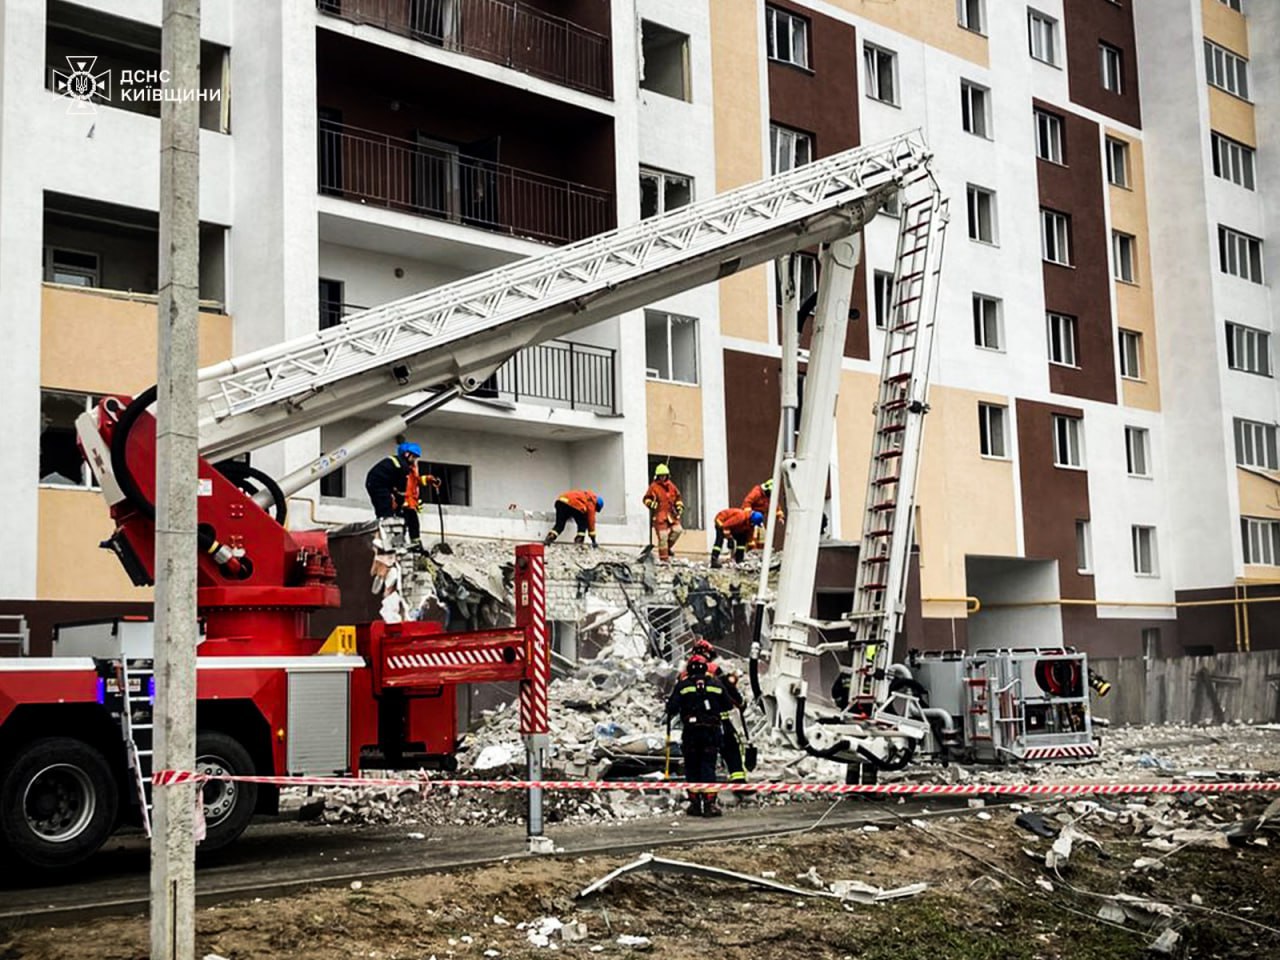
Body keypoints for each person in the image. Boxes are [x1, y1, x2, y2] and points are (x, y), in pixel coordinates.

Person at [665, 654, 731, 817]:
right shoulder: (716, 684)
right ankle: (709, 805)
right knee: (708, 766)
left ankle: (695, 805)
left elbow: (671, 708)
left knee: (692, 767)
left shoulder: (683, 685)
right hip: (711, 732)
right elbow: (728, 705)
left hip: (691, 732)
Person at [687, 639, 748, 785]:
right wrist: (740, 703)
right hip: (717, 720)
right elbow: (728, 689)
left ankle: (697, 786)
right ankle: (737, 778)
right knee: (731, 747)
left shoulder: (684, 673)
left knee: (697, 754)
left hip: (691, 723)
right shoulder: (713, 669)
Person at [364, 442, 437, 545]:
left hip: (404, 498)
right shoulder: (402, 467)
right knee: (388, 515)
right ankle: (389, 542)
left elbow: (414, 482)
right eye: (414, 457)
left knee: (408, 521)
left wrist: (428, 480)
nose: (415, 460)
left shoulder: (403, 466)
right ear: (407, 454)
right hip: (391, 492)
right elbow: (401, 488)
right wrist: (398, 502)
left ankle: (404, 543)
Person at [642, 463, 684, 562]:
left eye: (664, 475)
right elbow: (646, 499)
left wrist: (679, 506)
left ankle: (668, 548)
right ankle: (664, 559)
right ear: (657, 476)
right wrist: (651, 504)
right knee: (663, 537)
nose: (662, 477)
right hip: (659, 516)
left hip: (671, 514)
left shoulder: (671, 486)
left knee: (678, 530)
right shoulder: (653, 487)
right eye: (661, 475)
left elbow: (678, 497)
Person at [741, 478, 784, 549]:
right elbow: (747, 502)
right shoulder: (757, 492)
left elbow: (776, 506)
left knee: (762, 536)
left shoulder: (770, 497)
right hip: (751, 517)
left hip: (758, 518)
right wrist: (750, 515)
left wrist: (780, 516)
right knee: (752, 536)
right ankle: (750, 552)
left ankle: (761, 552)